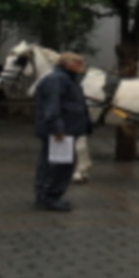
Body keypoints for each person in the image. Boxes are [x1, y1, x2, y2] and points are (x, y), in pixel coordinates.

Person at [33, 52, 90, 212]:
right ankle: (48, 197)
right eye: (79, 63)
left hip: (65, 130)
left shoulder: (66, 79)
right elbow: (52, 106)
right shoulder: (58, 80)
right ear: (68, 64)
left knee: (60, 163)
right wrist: (57, 129)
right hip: (60, 132)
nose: (82, 66)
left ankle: (50, 196)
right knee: (56, 165)